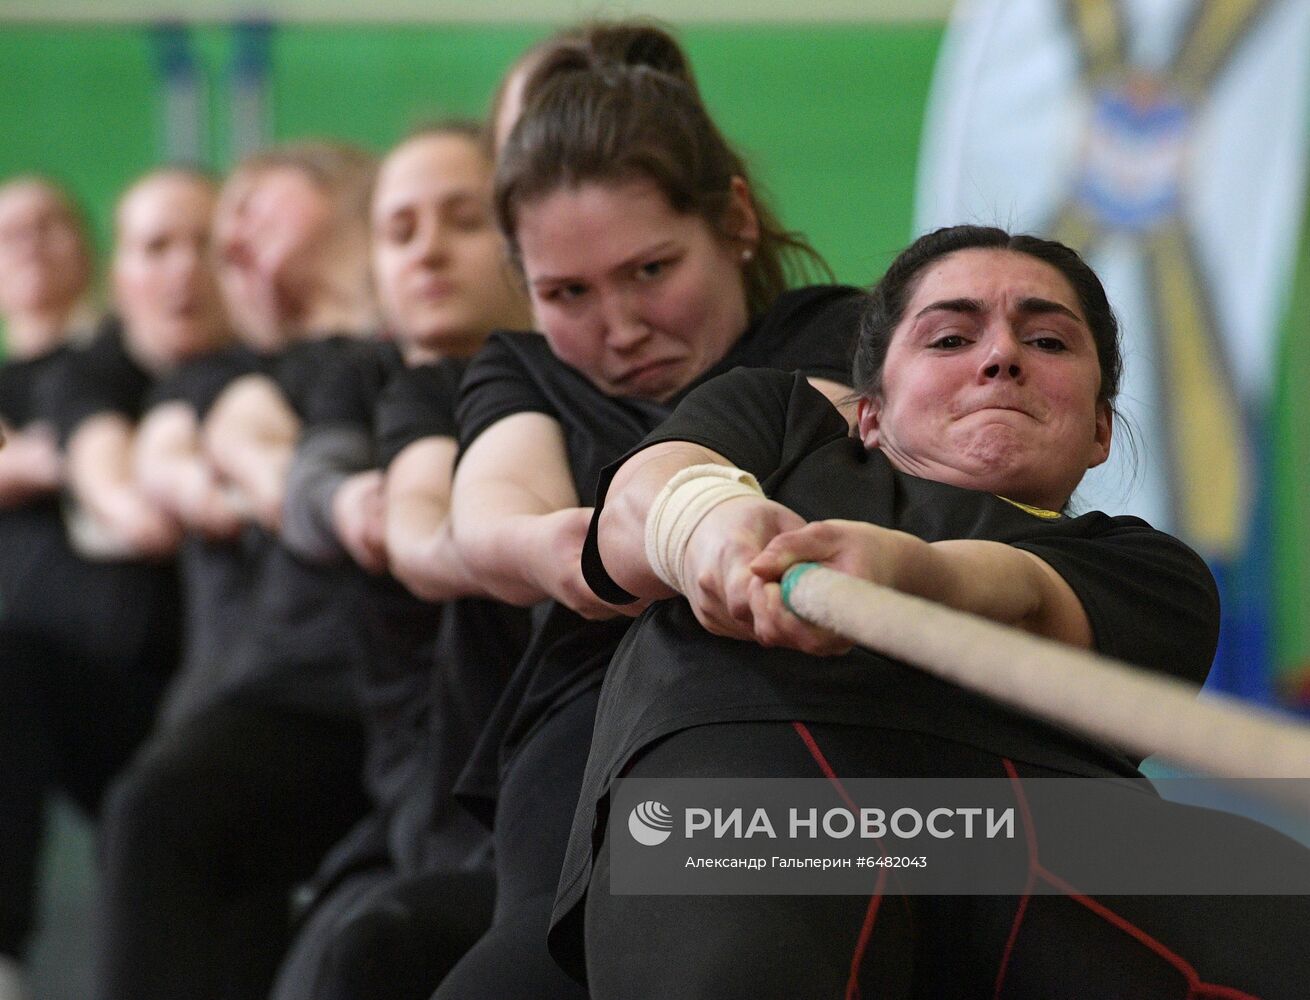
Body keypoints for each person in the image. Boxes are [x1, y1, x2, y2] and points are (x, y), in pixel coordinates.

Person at [560, 225, 1310, 999]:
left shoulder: (1154, 570)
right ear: (871, 414)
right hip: (755, 796)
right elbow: (633, 513)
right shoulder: (778, 426)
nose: (1001, 358)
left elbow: (1025, 595)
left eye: (1048, 342)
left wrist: (906, 569)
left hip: (1043, 830)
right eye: (950, 337)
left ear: (1098, 430)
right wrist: (708, 531)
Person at [436, 40, 862, 998]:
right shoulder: (519, 369)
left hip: (798, 712)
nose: (620, 327)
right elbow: (495, 521)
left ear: (736, 221)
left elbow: (841, 456)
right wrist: (600, 549)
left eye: (651, 270)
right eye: (567, 294)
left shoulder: (838, 334)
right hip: (588, 723)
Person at [93, 143, 379, 1000]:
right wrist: (240, 478)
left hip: (372, 702)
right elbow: (170, 457)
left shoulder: (400, 355)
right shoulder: (229, 374)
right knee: (169, 820)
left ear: (342, 203)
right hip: (257, 703)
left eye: (258, 203)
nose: (233, 233)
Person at [265, 121, 534, 1000]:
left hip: (541, 806)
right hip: (413, 793)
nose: (428, 251)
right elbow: (310, 474)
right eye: (400, 229)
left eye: (461, 220)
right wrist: (354, 503)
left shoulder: (568, 384)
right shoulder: (372, 383)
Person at [0, 167, 226, 1000]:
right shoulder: (84, 383)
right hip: (88, 688)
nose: (182, 270)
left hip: (209, 693)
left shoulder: (225, 374)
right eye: (158, 247)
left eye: (52, 221)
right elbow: (121, 487)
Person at [0, 175, 98, 1000]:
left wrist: (31, 458)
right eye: (11, 232)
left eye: (50, 224)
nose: (30, 242)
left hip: (118, 668)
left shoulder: (115, 365)